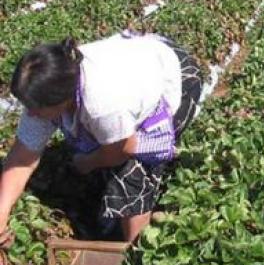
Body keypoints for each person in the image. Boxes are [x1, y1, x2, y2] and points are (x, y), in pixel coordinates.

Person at [0, 31, 202, 246]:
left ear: (62, 101)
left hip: (174, 74)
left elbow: (123, 150)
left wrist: (87, 163)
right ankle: (107, 217)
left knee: (132, 173)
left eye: (35, 108)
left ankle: (139, 254)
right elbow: (21, 159)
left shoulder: (103, 105)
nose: (30, 114)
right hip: (139, 66)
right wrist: (2, 214)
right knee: (97, 149)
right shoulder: (45, 91)